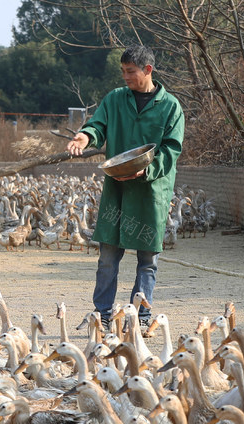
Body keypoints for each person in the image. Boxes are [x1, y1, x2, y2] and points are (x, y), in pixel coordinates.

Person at [66, 44, 184, 328]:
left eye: (130, 72)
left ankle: (140, 318)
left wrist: (148, 170)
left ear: (148, 70)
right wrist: (84, 137)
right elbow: (98, 126)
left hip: (150, 191)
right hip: (117, 190)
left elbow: (171, 149)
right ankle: (102, 315)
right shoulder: (116, 99)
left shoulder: (170, 107)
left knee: (147, 260)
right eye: (123, 71)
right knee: (108, 255)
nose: (125, 77)